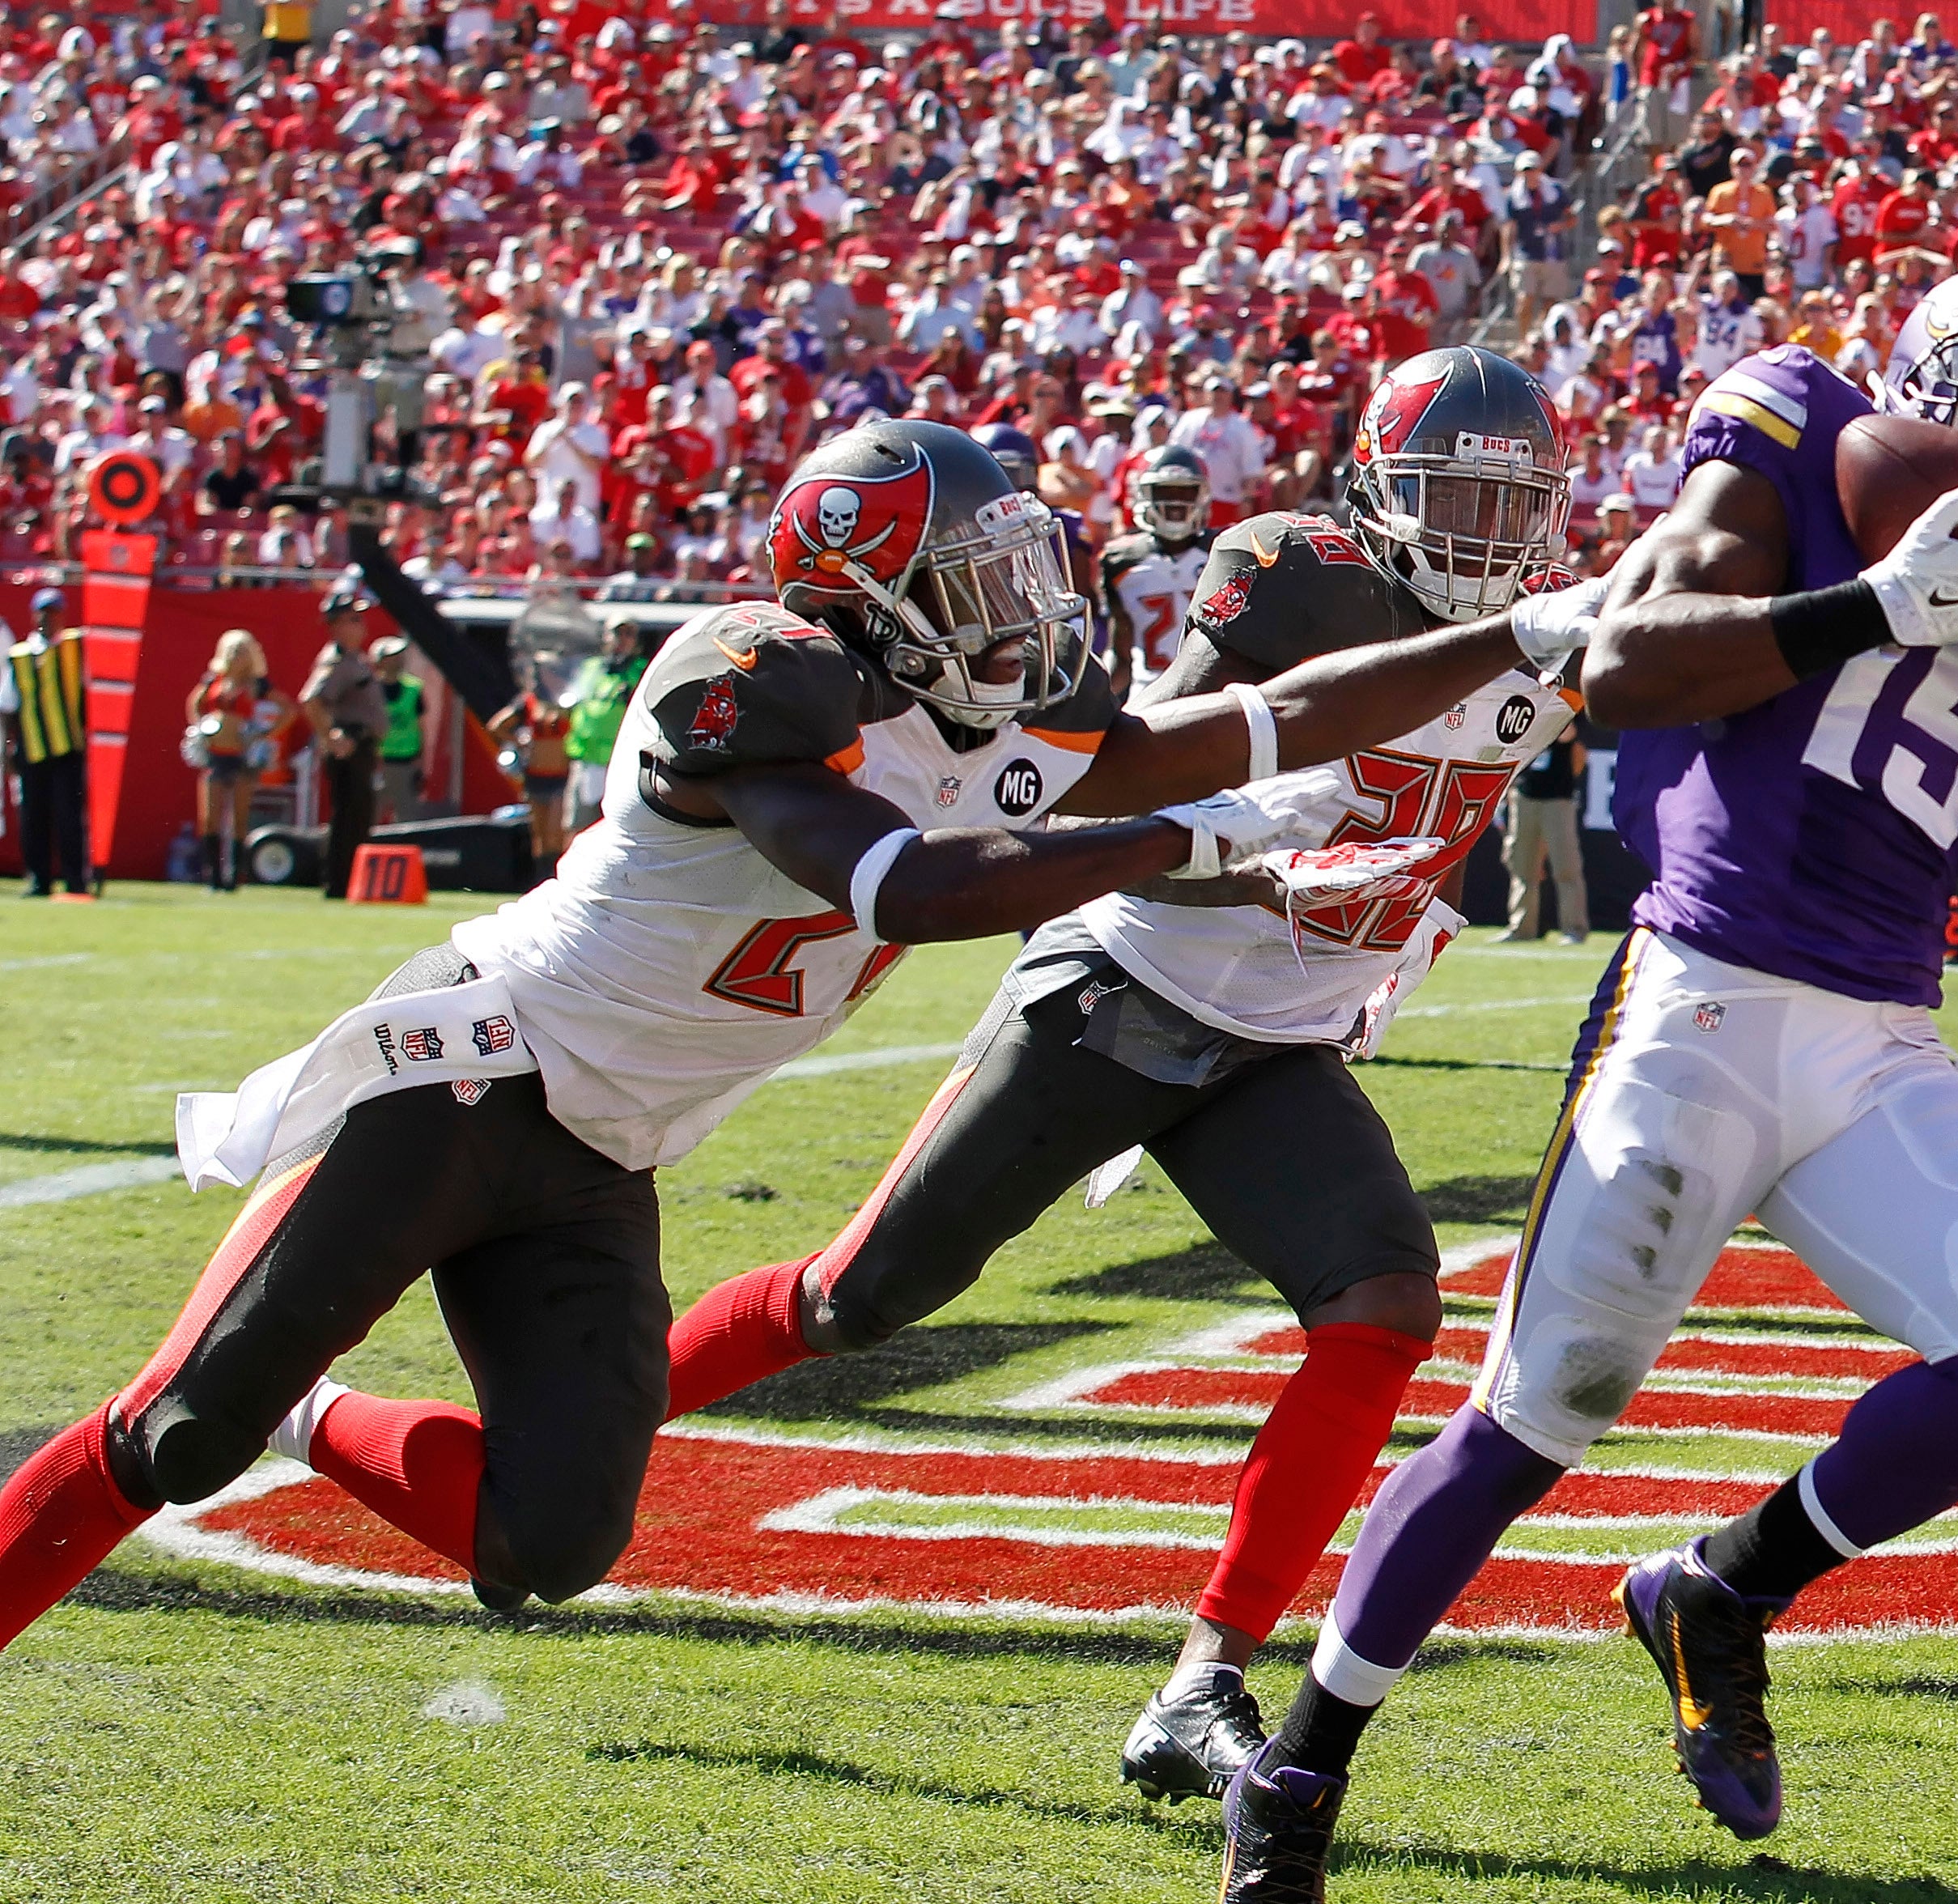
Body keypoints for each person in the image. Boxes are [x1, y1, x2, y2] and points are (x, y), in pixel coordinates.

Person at [0, 417, 1603, 1656]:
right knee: (174, 1435)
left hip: (600, 1160)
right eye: (975, 587)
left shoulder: (990, 722)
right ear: (873, 597)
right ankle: (220, 1423)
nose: (1019, 615)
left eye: (1018, 572)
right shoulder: (755, 680)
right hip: (467, 1084)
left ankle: (308, 1407)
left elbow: (1263, 721)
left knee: (551, 1547)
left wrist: (1514, 642)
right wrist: (1176, 844)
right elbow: (900, 884)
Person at [1219, 261, 1958, 1899]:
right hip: (1699, 991)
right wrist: (1875, 605)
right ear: (1926, 379)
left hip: (1882, 1038)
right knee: (1538, 1413)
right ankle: (1297, 1770)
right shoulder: (1799, 418)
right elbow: (1623, 671)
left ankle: (1722, 1589)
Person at [1100, 445, 1215, 694]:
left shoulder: (1223, 551)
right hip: (1149, 692)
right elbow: (1121, 651)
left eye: (1185, 492)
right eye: (1165, 491)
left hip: (1212, 692)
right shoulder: (1121, 561)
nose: (1175, 503)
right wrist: (1099, 702)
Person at [302, 582, 387, 899]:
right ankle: (339, 883)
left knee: (359, 816)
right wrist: (331, 735)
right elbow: (311, 699)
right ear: (335, 625)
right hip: (350, 747)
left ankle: (351, 881)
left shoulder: (354, 658)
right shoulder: (336, 660)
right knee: (348, 817)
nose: (361, 625)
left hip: (362, 746)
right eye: (353, 619)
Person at [3, 587, 87, 898]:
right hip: (32, 749)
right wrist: (10, 750)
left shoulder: (74, 647)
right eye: (43, 612)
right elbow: (9, 706)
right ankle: (39, 879)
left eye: (53, 613)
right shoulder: (20, 656)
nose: (47, 619)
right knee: (33, 817)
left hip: (68, 747)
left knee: (69, 817)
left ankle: (75, 880)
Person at [181, 629, 278, 893]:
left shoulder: (257, 684)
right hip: (215, 754)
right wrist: (200, 728)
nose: (237, 657)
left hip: (242, 756)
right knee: (209, 819)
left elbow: (288, 709)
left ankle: (235, 876)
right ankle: (213, 877)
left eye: (242, 652)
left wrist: (262, 733)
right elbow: (195, 703)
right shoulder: (214, 679)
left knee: (239, 818)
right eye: (233, 651)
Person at [1501, 711, 1589, 943]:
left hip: (1557, 798)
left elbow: (1567, 736)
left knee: (1566, 867)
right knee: (1522, 866)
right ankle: (1521, 928)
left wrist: (1550, 714)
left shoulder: (1567, 707)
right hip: (1525, 794)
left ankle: (1574, 929)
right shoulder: (1527, 708)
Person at [562, 620, 647, 844]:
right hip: (586, 759)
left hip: (619, 763)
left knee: (616, 827)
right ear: (606, 637)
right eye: (617, 633)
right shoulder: (590, 667)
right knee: (577, 826)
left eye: (629, 634)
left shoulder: (641, 670)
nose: (622, 640)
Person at [486, 657, 573, 862]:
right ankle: (540, 877)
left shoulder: (568, 701)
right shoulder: (529, 702)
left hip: (561, 776)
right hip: (535, 774)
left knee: (557, 833)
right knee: (539, 834)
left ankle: (555, 875)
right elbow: (496, 726)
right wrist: (518, 740)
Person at [370, 639, 427, 825]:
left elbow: (420, 726)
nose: (399, 660)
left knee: (406, 819)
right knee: (371, 817)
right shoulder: (369, 689)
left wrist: (421, 762)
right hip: (377, 763)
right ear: (380, 661)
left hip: (405, 762)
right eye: (392, 657)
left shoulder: (413, 688)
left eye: (399, 656)